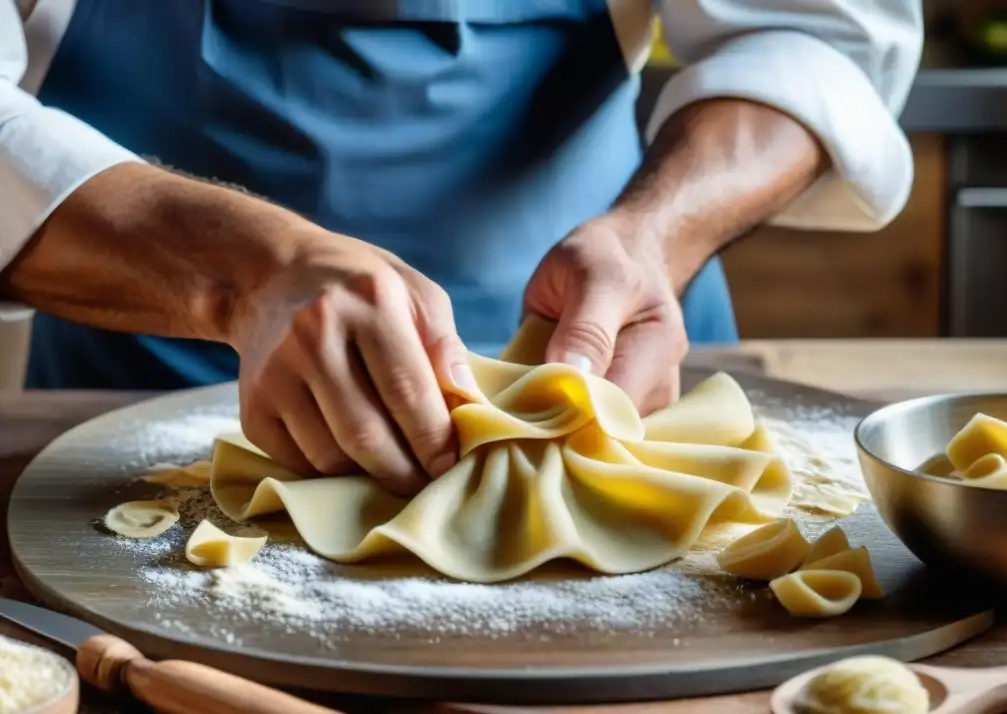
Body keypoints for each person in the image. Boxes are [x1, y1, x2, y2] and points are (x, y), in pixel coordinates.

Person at [0, 1, 922, 495]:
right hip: (135, 411)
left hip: (622, 383)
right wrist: (240, 279)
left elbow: (812, 30)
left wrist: (657, 233)